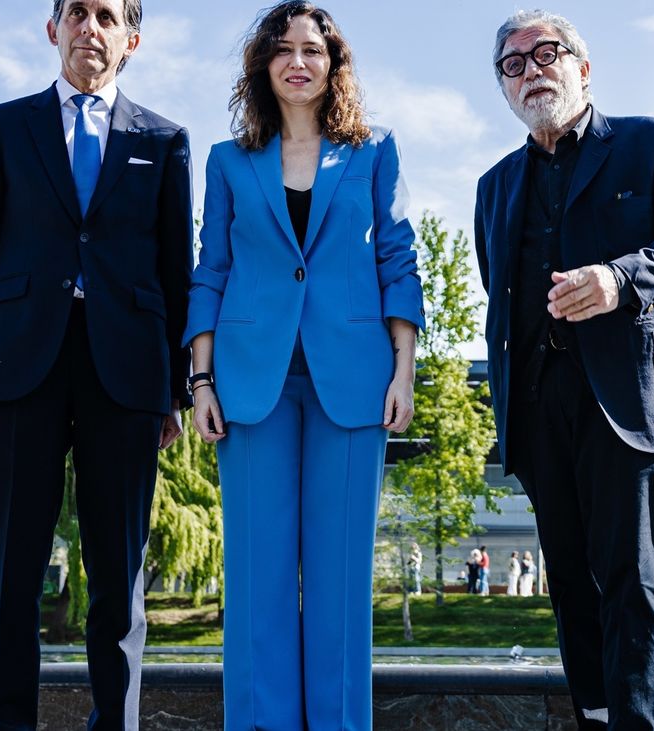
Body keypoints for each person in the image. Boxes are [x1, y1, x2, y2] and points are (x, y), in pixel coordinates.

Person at [0, 1, 192, 727]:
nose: (91, 27)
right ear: (54, 29)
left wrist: (172, 388)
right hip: (18, 366)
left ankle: (115, 722)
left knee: (118, 574)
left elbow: (178, 269)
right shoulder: (3, 125)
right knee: (9, 570)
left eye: (107, 15)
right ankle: (4, 721)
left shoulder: (166, 140)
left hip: (127, 375)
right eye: (76, 11)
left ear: (131, 39)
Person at [474, 9, 654, 730]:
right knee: (571, 591)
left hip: (629, 401)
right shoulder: (494, 185)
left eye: (545, 53)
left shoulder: (650, 144)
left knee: (634, 584)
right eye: (512, 64)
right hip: (541, 402)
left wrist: (620, 278)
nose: (531, 70)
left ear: (583, 66)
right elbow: (500, 292)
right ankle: (597, 720)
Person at [182, 2, 423, 728]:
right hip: (251, 384)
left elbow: (398, 259)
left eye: (313, 50)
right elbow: (211, 269)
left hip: (352, 383)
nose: (298, 61)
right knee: (255, 580)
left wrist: (403, 371)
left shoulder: (376, 150)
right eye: (283, 49)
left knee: (339, 583)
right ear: (263, 65)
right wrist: (200, 380)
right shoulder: (229, 160)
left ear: (333, 64)